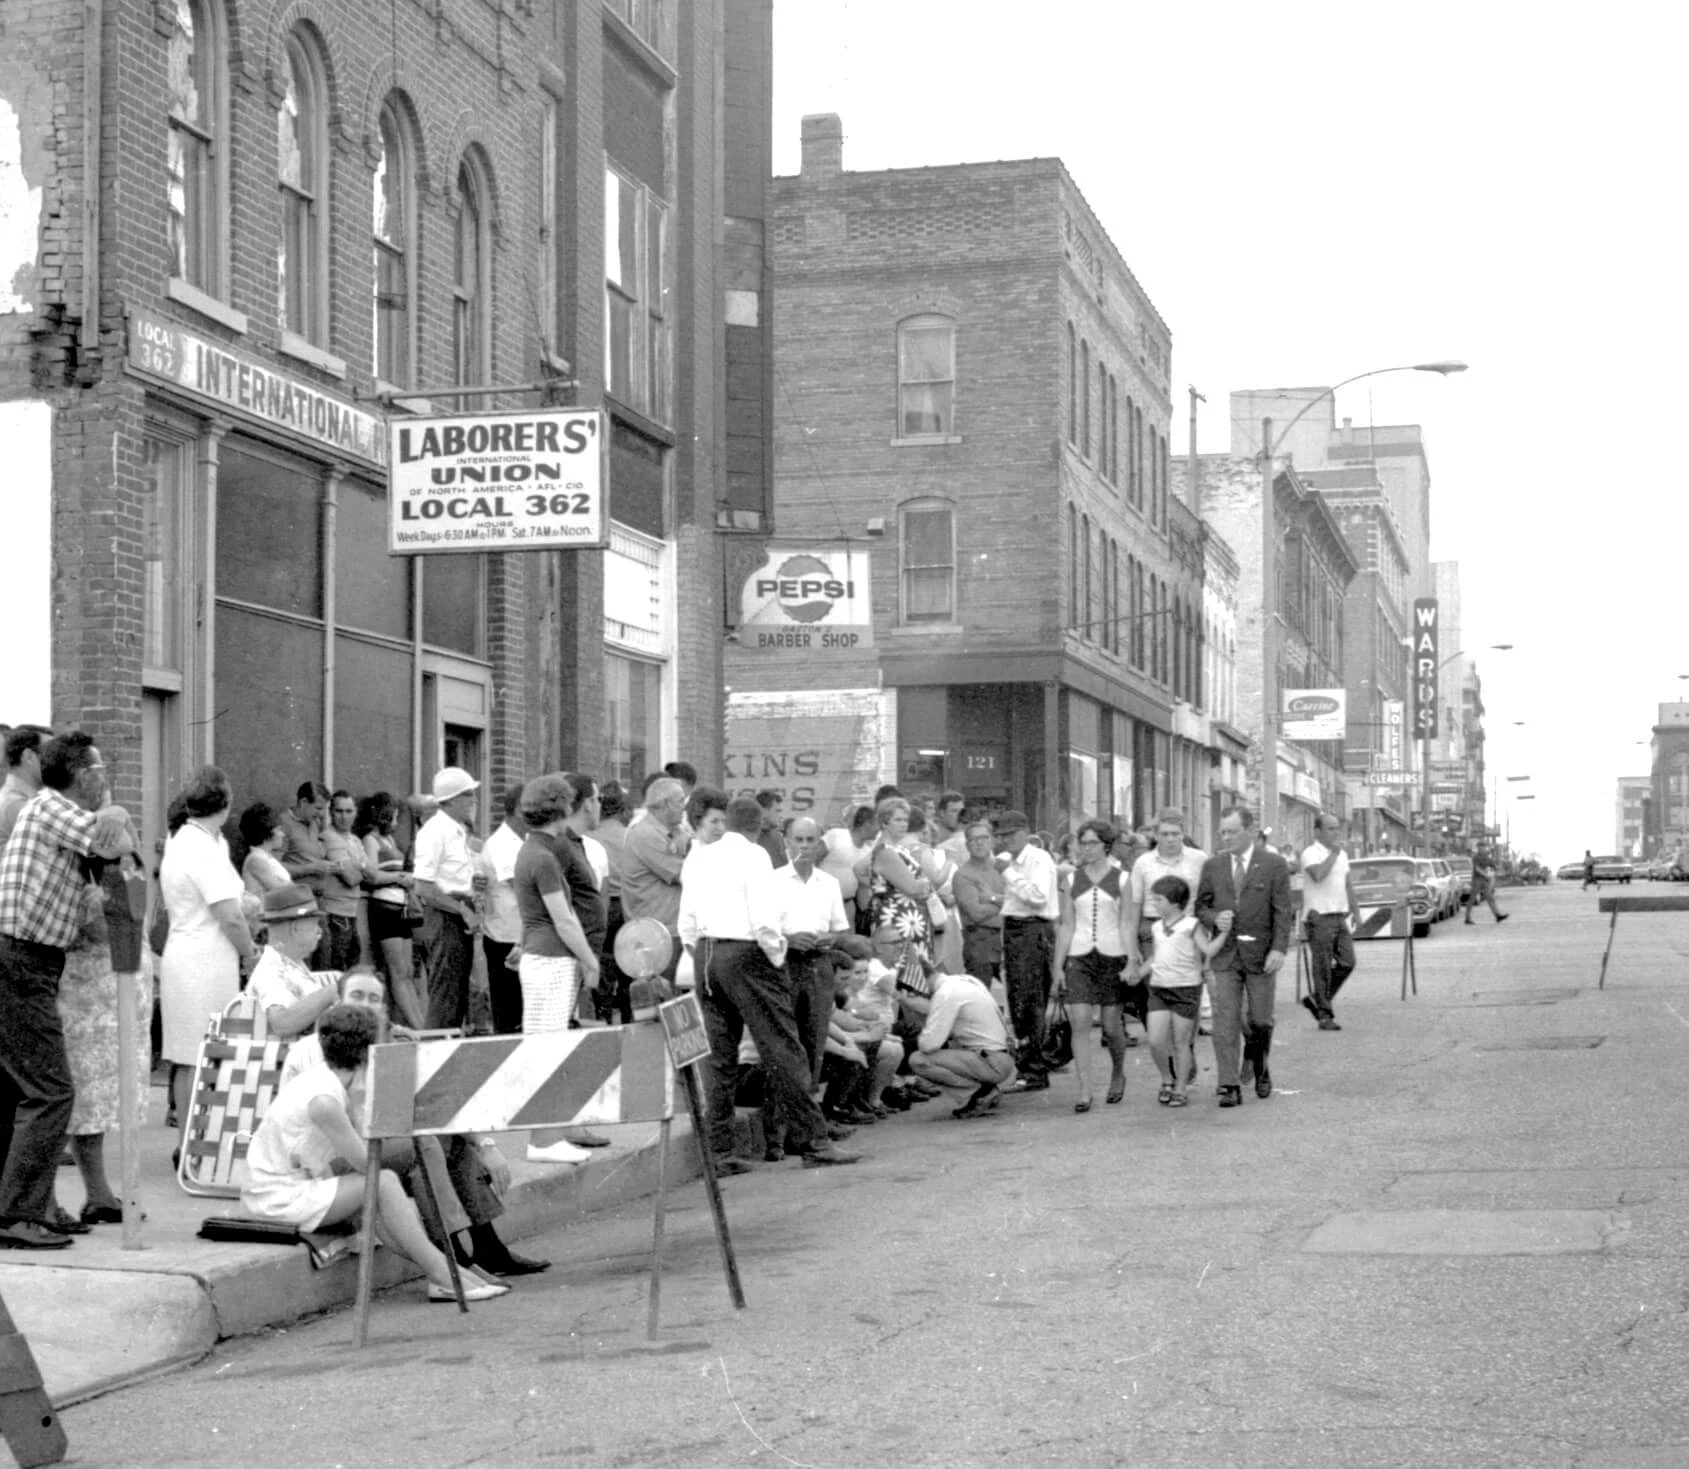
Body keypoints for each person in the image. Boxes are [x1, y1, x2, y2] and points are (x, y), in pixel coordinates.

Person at [279, 969, 548, 1277]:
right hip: (322, 1163)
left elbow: (430, 1104)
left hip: (364, 1149)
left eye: (373, 999)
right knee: (426, 1146)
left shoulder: (381, 1044)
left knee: (442, 1145)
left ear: (382, 1009)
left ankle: (473, 1255)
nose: (364, 1005)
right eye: (356, 996)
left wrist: (486, 1145)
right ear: (337, 1002)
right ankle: (461, 1259)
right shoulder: (323, 1048)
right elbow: (346, 1121)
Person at [240, 1004, 507, 1303]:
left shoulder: (326, 1080)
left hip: (301, 1180)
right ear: (368, 1052)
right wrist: (358, 1102)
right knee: (384, 1182)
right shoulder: (325, 1100)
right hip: (278, 1196)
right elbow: (365, 1162)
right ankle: (447, 1275)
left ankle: (448, 1274)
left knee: (385, 1193)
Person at [0, 731, 136, 1248]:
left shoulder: (51, 812)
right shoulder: (51, 806)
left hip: (25, 959)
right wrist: (116, 814)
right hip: (21, 958)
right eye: (101, 770)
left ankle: (21, 1208)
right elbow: (116, 844)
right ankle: (17, 1215)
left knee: (17, 1091)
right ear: (83, 775)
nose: (106, 779)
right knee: (51, 1091)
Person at [680, 795, 857, 1172]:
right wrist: (776, 957)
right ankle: (813, 1140)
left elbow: (687, 920)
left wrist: (701, 952)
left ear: (727, 822)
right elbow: (763, 916)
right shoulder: (754, 855)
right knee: (784, 1046)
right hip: (746, 951)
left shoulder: (700, 855)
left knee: (720, 1056)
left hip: (707, 953)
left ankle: (720, 1150)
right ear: (760, 826)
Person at [160, 766, 258, 1143]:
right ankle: (193, 1143)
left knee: (198, 1053)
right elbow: (229, 915)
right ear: (226, 804)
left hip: (199, 955)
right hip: (202, 959)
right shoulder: (200, 845)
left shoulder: (199, 839)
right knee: (196, 1054)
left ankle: (198, 1140)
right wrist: (250, 953)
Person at [55, 847, 150, 1226]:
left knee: (96, 1114)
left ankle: (98, 1194)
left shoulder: (120, 886)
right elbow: (110, 928)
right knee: (71, 1108)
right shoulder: (85, 895)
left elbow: (141, 918)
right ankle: (39, 1199)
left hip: (115, 1017)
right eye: (120, 861)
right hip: (87, 1016)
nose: (129, 867)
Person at [512, 775, 603, 1164]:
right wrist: (590, 959)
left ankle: (548, 1135)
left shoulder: (531, 851)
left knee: (546, 1047)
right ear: (563, 809)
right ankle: (544, 1140)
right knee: (548, 1050)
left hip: (538, 956)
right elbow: (563, 920)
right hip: (552, 959)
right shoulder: (546, 858)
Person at [1196, 805, 1293, 1108]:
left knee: (1260, 1019)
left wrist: (1278, 948)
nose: (1226, 837)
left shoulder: (1274, 864)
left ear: (1250, 831)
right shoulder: (1213, 866)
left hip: (1261, 954)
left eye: (1232, 832)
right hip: (1225, 955)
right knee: (1225, 1020)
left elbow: (1282, 912)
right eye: (1222, 832)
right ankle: (1228, 1084)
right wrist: (1214, 919)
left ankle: (1260, 1066)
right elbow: (1201, 906)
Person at [764, 816, 850, 1092]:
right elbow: (761, 931)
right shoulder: (772, 882)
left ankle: (810, 1115)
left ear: (819, 844)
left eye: (810, 840)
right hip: (785, 964)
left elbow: (840, 929)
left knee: (815, 1039)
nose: (804, 846)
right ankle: (784, 1122)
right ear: (787, 843)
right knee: (787, 1042)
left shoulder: (828, 883)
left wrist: (830, 938)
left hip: (818, 964)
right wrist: (788, 939)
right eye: (798, 840)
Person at [1053, 818, 1130, 1112]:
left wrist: (1131, 959)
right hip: (1080, 955)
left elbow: (1126, 923)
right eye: (1082, 843)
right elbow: (1066, 925)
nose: (1086, 848)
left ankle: (1118, 1071)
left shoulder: (1122, 879)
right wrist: (1058, 967)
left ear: (1106, 846)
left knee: (1111, 1026)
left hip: (1112, 955)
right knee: (1080, 1021)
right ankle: (1084, 1089)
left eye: (1093, 843)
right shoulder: (1071, 880)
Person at [1125, 809, 1209, 1048]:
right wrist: (1133, 952)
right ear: (1156, 835)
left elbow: (1206, 899)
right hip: (1152, 930)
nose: (1170, 839)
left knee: (1187, 991)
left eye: (1175, 833)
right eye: (1164, 834)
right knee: (1158, 991)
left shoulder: (1199, 859)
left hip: (1189, 930)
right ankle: (1171, 1057)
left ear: (1183, 834)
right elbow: (1134, 909)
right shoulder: (1143, 863)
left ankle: (1185, 1049)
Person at [1142, 875, 1224, 1107]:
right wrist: (1138, 971)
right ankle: (1166, 1079)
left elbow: (1207, 949)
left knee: (1181, 1041)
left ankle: (1180, 1088)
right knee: (1156, 1040)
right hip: (1159, 987)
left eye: (1158, 900)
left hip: (1186, 987)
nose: (1154, 904)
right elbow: (1156, 955)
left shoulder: (1191, 925)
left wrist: (1224, 934)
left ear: (1175, 902)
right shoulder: (1157, 927)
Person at [414, 767, 482, 1031]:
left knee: (457, 991)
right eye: (468, 795)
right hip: (444, 916)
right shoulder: (435, 832)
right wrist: (462, 910)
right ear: (451, 800)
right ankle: (435, 1049)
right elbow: (423, 887)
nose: (473, 801)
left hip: (459, 912)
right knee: (446, 992)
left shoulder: (457, 831)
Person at [996, 810, 1059, 1092]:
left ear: (1024, 832)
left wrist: (1007, 875)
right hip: (1017, 929)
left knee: (1029, 998)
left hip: (1031, 928)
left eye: (1009, 834)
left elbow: (1038, 897)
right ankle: (1030, 1062)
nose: (1005, 840)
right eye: (1002, 835)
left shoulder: (1037, 859)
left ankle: (1034, 1067)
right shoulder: (1014, 861)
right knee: (1019, 998)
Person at [906, 960, 1016, 1119]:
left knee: (918, 1059)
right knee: (953, 1043)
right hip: (1003, 1058)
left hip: (992, 1062)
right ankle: (987, 1090)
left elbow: (928, 1044)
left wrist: (913, 1007)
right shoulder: (963, 981)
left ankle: (979, 1093)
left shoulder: (945, 993)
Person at [353, 792, 424, 1030]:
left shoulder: (391, 841)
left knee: (407, 970)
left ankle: (421, 1023)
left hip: (400, 905)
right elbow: (371, 874)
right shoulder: (371, 840)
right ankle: (417, 1026)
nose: (396, 823)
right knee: (398, 971)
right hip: (384, 906)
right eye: (393, 817)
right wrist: (399, 877)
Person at [246, 884, 339, 1040]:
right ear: (296, 927)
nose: (319, 931)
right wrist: (330, 993)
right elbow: (281, 1023)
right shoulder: (271, 971)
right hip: (283, 1061)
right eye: (315, 924)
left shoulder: (289, 966)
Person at [619, 776, 690, 981]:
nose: (684, 808)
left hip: (669, 932)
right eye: (680, 801)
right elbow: (685, 874)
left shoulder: (672, 832)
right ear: (665, 804)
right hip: (655, 937)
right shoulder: (645, 835)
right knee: (660, 1001)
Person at [1298, 812, 1360, 1032]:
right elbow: (1318, 875)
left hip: (1339, 915)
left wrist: (1355, 910)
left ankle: (1317, 999)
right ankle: (1325, 1015)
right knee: (1322, 967)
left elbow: (1346, 883)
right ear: (1318, 832)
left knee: (1348, 961)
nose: (1336, 833)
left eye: (1337, 828)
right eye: (1331, 829)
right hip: (1319, 916)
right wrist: (1333, 854)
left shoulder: (1341, 855)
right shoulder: (1310, 853)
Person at [478, 783, 526, 1035]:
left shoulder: (520, 840)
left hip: (520, 937)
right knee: (509, 1019)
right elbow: (524, 889)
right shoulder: (502, 844)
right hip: (506, 940)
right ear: (519, 809)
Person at [865, 797, 934, 965]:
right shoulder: (886, 852)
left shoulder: (900, 849)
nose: (903, 824)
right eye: (898, 820)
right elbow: (913, 888)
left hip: (911, 917)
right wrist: (923, 884)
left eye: (905, 820)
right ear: (884, 822)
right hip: (897, 919)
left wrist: (922, 884)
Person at [279, 782, 334, 968]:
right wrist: (308, 868)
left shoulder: (314, 825)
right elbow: (273, 866)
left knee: (324, 957)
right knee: (304, 960)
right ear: (303, 802)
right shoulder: (284, 824)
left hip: (319, 900)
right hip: (298, 902)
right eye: (318, 808)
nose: (321, 815)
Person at [951, 819, 1006, 985]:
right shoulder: (963, 875)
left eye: (984, 837)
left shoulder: (1001, 868)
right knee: (981, 997)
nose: (979, 843)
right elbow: (977, 913)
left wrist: (992, 898)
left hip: (1006, 940)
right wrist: (1006, 903)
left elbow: (1018, 903)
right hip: (979, 942)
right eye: (973, 839)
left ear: (992, 841)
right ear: (967, 845)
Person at [320, 790, 367, 973]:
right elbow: (352, 878)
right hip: (335, 913)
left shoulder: (354, 839)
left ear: (355, 813)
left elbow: (370, 873)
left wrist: (357, 865)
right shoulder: (329, 837)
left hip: (351, 912)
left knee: (352, 967)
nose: (343, 817)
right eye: (339, 811)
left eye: (348, 811)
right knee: (338, 970)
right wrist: (361, 864)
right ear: (331, 812)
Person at [820, 804, 877, 934]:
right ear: (868, 824)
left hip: (847, 905)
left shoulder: (868, 852)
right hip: (825, 904)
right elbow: (813, 860)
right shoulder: (836, 836)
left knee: (848, 945)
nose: (879, 829)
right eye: (877, 824)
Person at [0, 724, 53, 848]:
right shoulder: (16, 804)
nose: (58, 761)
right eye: (52, 754)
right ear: (28, 757)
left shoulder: (26, 800)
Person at [237, 803, 292, 898]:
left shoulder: (266, 858)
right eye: (279, 830)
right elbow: (282, 891)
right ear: (268, 832)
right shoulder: (256, 861)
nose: (282, 834)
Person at [1466, 847, 1510, 924]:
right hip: (1477, 879)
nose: (1484, 851)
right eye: (1481, 848)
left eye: (1485, 850)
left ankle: (1497, 915)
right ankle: (1467, 918)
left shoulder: (1488, 859)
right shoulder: (1476, 858)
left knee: (1490, 897)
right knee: (1472, 898)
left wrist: (1494, 873)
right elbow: (1477, 868)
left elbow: (1494, 868)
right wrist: (1486, 875)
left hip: (1485, 880)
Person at [753, 791, 787, 868]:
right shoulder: (748, 837)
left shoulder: (777, 837)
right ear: (763, 811)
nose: (782, 816)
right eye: (778, 811)